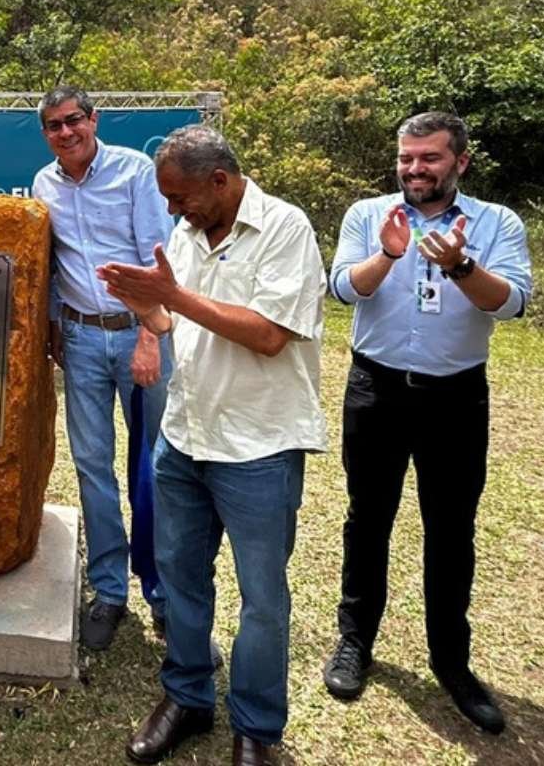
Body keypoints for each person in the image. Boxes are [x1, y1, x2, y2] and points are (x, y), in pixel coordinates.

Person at [99, 124, 326, 766]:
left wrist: (171, 295)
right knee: (181, 577)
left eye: (180, 196)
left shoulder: (285, 228)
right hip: (185, 437)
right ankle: (188, 698)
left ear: (219, 181)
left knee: (262, 597)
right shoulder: (188, 233)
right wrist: (148, 309)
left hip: (257, 444)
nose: (173, 209)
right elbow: (176, 320)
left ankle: (256, 726)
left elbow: (269, 335)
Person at [322, 111, 530, 734]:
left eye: (430, 159)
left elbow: (514, 302)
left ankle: (452, 660)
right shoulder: (369, 214)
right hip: (375, 389)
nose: (415, 170)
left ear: (459, 162)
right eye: (407, 159)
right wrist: (386, 258)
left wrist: (465, 268)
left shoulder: (495, 223)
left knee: (450, 528)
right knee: (368, 518)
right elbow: (340, 288)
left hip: (455, 397)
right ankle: (356, 642)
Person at [30, 86, 173, 649]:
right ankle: (109, 591)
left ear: (93, 120)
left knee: (155, 466)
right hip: (81, 341)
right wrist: (50, 328)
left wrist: (148, 336)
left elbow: (158, 261)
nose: (66, 133)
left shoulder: (135, 172)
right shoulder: (44, 184)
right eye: (54, 126)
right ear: (45, 134)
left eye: (73, 121)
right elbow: (51, 264)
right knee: (93, 466)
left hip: (140, 335)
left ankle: (162, 592)